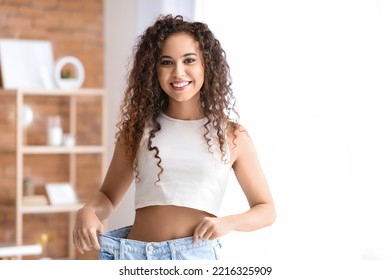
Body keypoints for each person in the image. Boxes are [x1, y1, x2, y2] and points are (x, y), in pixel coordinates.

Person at [73, 14, 276, 260]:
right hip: (132, 257)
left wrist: (229, 223)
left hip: (194, 257)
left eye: (189, 60)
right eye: (166, 62)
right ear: (154, 70)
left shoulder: (232, 135)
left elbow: (266, 209)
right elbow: (107, 197)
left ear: (206, 65)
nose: (178, 72)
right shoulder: (137, 130)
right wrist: (87, 211)